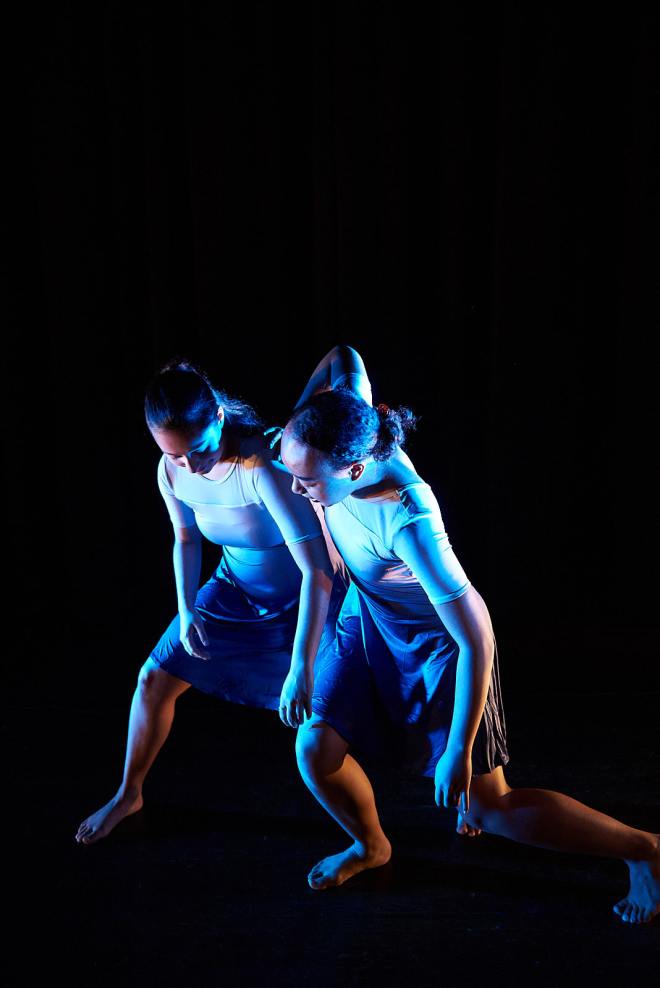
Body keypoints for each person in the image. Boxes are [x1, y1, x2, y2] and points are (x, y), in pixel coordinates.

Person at [278, 344, 660, 925]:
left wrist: (458, 749)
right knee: (314, 749)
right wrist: (302, 420)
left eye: (306, 480)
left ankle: (643, 848)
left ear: (353, 469)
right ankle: (371, 846)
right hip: (371, 616)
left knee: (488, 808)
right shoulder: (345, 419)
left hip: (440, 646)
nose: (295, 489)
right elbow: (344, 356)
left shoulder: (410, 519)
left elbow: (476, 637)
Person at [76, 359, 334, 845]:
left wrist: (301, 666)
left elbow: (316, 572)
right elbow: (186, 538)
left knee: (332, 715)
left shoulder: (261, 467)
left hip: (306, 599)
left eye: (198, 450)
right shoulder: (170, 472)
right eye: (175, 456)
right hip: (235, 591)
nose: (190, 465)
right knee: (153, 678)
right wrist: (187, 608)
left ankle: (462, 790)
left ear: (218, 417)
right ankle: (129, 794)